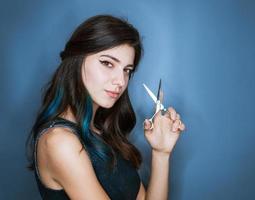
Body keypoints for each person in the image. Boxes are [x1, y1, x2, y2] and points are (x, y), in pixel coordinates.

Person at [25, 14, 185, 200]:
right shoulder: (59, 141)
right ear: (77, 59)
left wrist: (161, 153)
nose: (120, 81)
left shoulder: (102, 131)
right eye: (107, 63)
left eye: (127, 70)